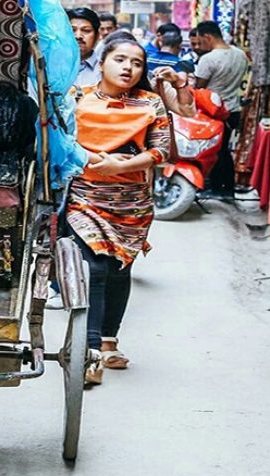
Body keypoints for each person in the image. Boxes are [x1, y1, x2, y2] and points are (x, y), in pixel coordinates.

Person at [67, 38, 170, 385]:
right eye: (120, 59)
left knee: (118, 269)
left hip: (132, 201)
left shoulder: (150, 102)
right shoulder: (77, 97)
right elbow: (62, 141)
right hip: (85, 197)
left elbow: (161, 152)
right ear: (102, 61)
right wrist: (93, 161)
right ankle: (91, 351)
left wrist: (117, 167)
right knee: (94, 267)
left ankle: (110, 339)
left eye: (137, 63)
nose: (128, 68)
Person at [194, 20, 248, 198]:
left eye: (201, 41)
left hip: (213, 111)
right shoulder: (240, 55)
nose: (200, 45)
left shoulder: (208, 59)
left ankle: (218, 188)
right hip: (234, 109)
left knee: (215, 151)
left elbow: (199, 88)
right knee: (224, 149)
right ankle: (227, 187)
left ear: (207, 37)